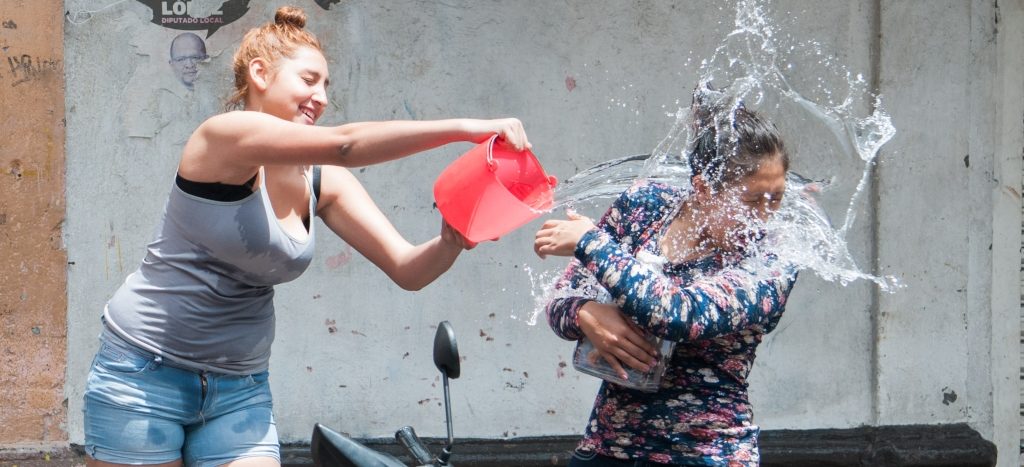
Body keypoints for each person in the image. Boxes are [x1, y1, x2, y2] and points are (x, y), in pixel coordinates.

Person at [84, 6, 531, 467]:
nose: (320, 97)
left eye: (325, 87)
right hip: (143, 373)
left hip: (240, 390)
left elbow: (408, 270)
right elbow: (346, 146)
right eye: (308, 80)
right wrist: (468, 129)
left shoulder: (319, 180)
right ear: (260, 73)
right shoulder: (223, 137)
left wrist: (453, 240)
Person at [534, 88, 797, 466]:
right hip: (610, 447)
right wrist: (584, 313)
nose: (765, 215)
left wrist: (590, 242)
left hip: (706, 452)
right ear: (704, 189)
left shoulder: (775, 256)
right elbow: (561, 296)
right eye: (753, 200)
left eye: (778, 198)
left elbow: (680, 314)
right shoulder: (647, 206)